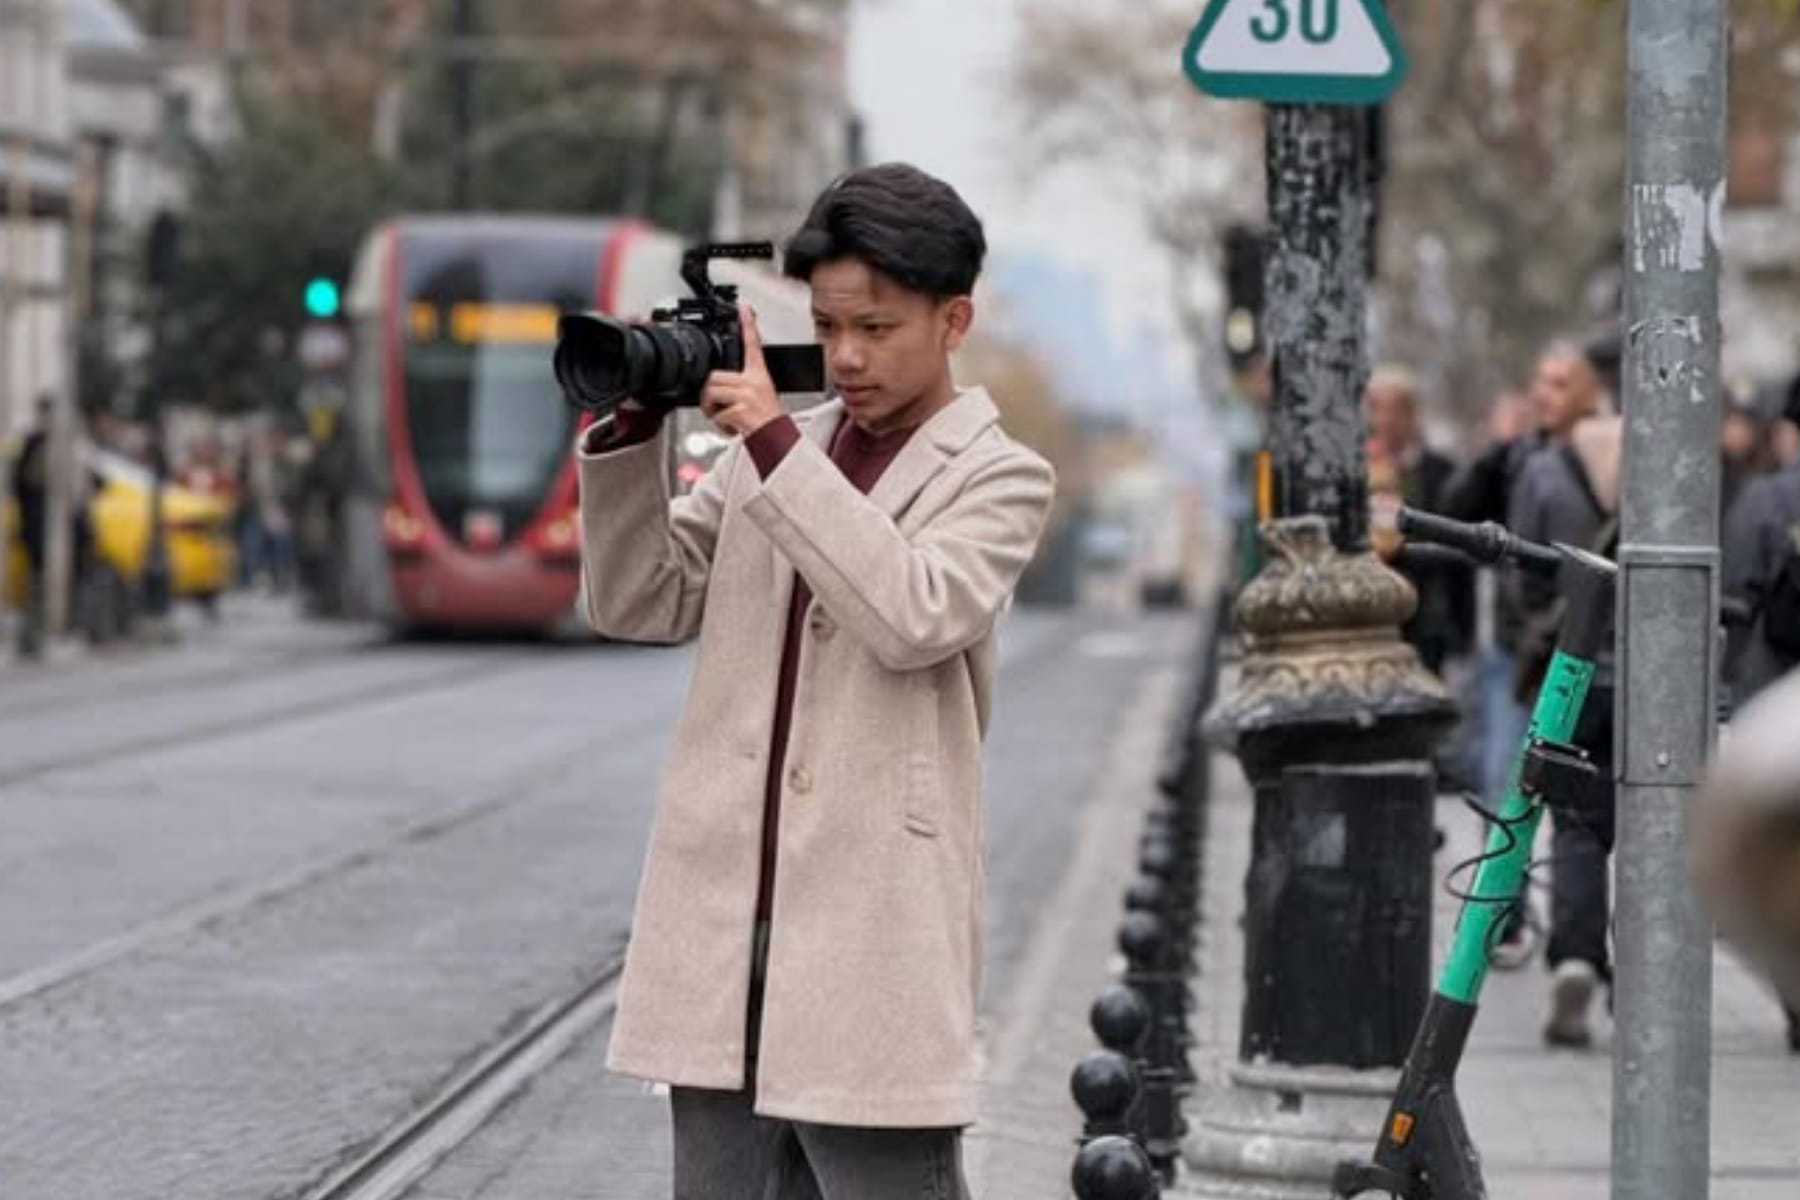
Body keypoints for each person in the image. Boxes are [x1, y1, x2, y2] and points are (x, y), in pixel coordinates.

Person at [576, 163, 1055, 1196]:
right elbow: (640, 601)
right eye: (831, 326)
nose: (845, 357)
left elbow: (913, 612)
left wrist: (774, 438)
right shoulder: (774, 450)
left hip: (869, 939)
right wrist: (633, 437)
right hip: (722, 929)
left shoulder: (998, 474)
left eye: (877, 329)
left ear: (953, 318)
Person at [1507, 340, 1618, 1047]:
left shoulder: (1543, 470)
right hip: (1653, 672)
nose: (1544, 393)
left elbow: (1526, 576)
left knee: (1576, 826)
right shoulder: (1656, 460)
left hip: (1574, 671)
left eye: (1558, 382)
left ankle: (1576, 956)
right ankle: (1652, 986)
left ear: (1586, 392)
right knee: (1660, 824)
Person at [1365, 366, 1474, 676]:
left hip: (1426, 622)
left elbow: (1457, 547)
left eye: (1393, 410)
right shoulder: (1359, 471)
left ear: (1411, 414)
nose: (1384, 420)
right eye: (1376, 409)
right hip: (1375, 622)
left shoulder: (1441, 472)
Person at [10, 397, 53, 658]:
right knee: (35, 580)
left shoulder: (47, 441)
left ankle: (35, 631)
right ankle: (32, 633)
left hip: (40, 527)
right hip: (35, 526)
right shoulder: (36, 442)